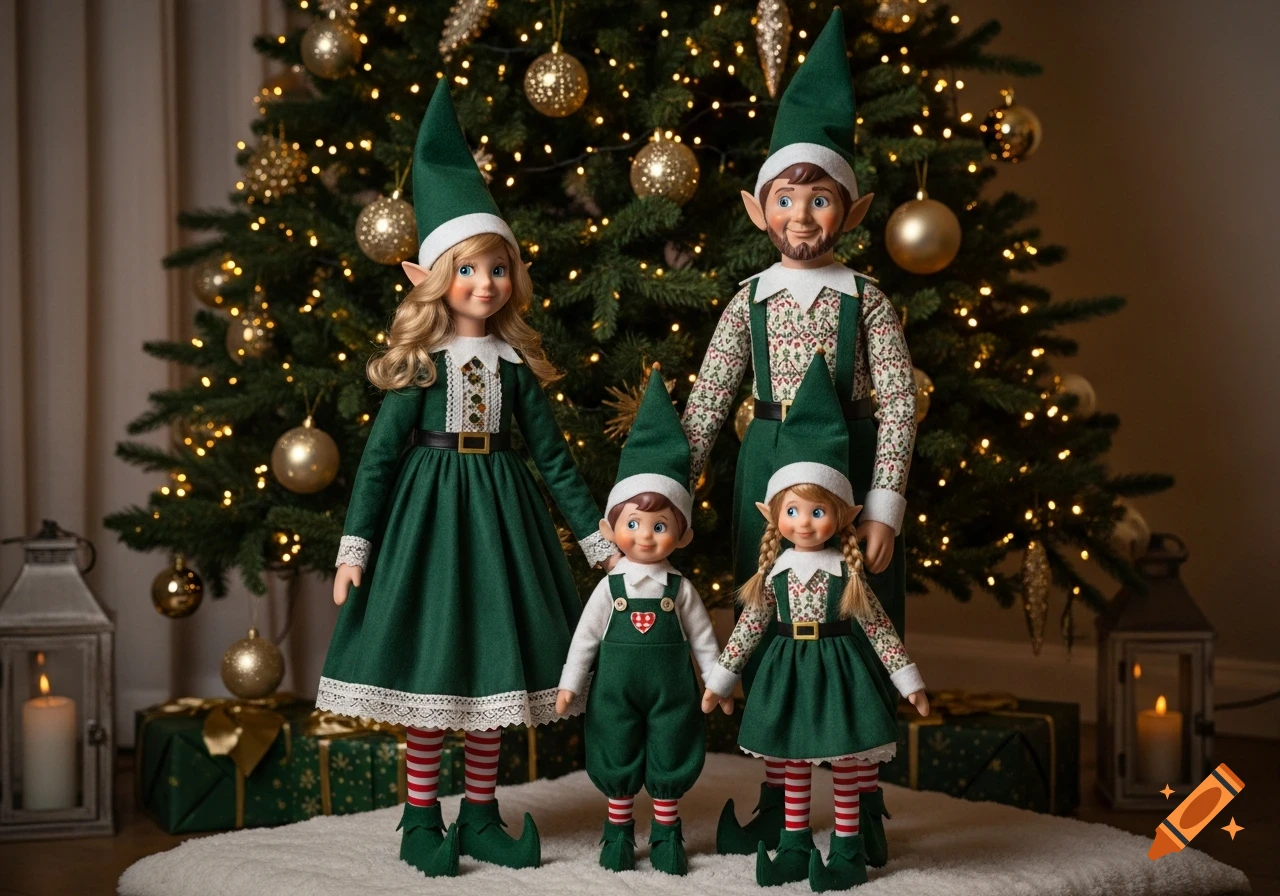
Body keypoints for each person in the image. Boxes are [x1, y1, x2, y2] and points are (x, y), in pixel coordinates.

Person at [319, 84, 617, 878]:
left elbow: (553, 457)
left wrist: (598, 543)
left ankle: (480, 815)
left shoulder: (516, 366)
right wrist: (356, 548)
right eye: (468, 270)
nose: (486, 284)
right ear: (429, 276)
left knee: (492, 672)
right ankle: (422, 817)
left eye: (498, 268)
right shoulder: (420, 366)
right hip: (426, 522)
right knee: (432, 670)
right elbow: (380, 460)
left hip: (502, 522)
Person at [681, 8, 917, 863]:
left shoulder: (868, 302)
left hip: (850, 473)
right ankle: (778, 795)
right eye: (788, 198)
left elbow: (897, 401)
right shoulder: (748, 301)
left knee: (857, 622)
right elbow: (710, 395)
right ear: (759, 208)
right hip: (767, 465)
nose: (804, 216)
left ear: (848, 210)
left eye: (821, 199)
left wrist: (884, 503)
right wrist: (680, 476)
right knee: (776, 620)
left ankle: (867, 798)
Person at [702, 355, 929, 891]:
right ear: (774, 517)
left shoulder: (846, 575)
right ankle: (794, 842)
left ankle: (848, 846)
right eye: (794, 512)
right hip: (787, 672)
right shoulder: (773, 574)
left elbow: (877, 631)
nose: (805, 524)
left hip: (840, 672)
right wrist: (721, 678)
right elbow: (750, 627)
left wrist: (909, 680)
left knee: (847, 761)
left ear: (843, 517)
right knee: (795, 761)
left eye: (818, 512)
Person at [556, 367, 727, 875]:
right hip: (614, 689)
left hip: (673, 689)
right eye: (633, 524)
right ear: (611, 528)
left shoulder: (681, 589)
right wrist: (570, 685)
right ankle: (618, 831)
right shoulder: (610, 589)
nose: (646, 537)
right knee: (615, 743)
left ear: (682, 533)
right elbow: (586, 639)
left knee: (673, 743)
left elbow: (702, 638)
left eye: (659, 526)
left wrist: (717, 682)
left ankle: (668, 831)